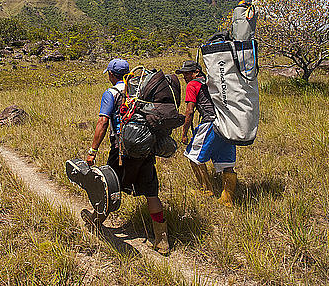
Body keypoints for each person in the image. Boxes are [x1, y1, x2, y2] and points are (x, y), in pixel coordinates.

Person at [84, 58, 170, 254]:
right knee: (151, 192)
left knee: (107, 186)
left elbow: (103, 122)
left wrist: (93, 150)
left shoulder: (111, 93)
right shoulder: (140, 90)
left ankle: (96, 219)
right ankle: (162, 239)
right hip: (146, 147)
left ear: (112, 75)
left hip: (121, 149)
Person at [176, 60, 237, 207]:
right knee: (226, 163)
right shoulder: (214, 82)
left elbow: (189, 111)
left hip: (209, 123)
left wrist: (184, 132)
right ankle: (228, 198)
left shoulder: (193, 85)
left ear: (196, 72)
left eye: (187, 73)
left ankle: (206, 190)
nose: (185, 77)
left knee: (193, 157)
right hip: (227, 124)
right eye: (183, 74)